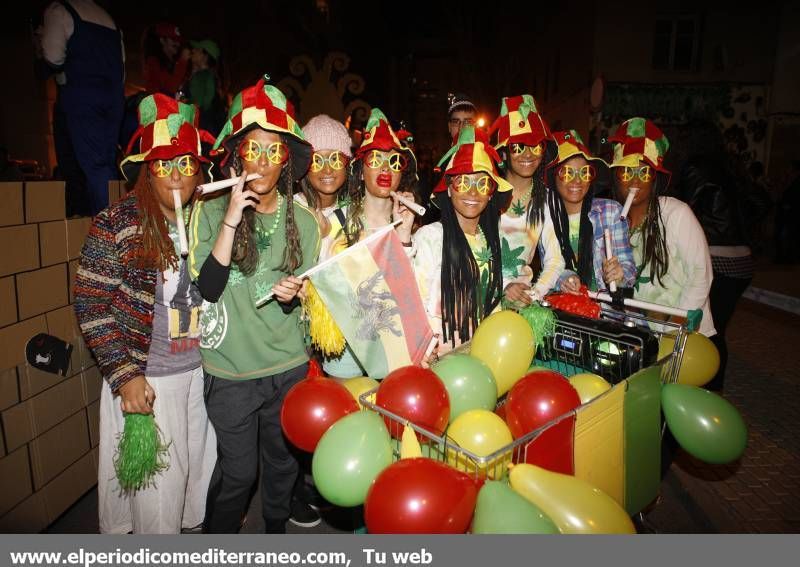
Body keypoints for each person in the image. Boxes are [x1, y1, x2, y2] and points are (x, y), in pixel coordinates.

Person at [74, 94, 216, 534]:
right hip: (150, 378)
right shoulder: (116, 222)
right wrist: (125, 375)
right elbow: (90, 302)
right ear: (145, 170)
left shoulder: (205, 220)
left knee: (194, 484)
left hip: (201, 375)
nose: (175, 176)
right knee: (157, 501)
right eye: (163, 165)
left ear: (200, 171)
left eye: (185, 165)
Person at [188, 76, 321, 534]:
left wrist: (298, 294)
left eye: (273, 151)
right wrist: (229, 219)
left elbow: (310, 298)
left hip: (286, 367)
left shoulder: (303, 221)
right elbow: (207, 288)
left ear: (286, 158)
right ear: (236, 153)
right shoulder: (206, 210)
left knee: (282, 466)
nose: (262, 162)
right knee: (239, 473)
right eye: (253, 149)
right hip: (230, 373)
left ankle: (275, 533)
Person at [317, 108, 417, 378]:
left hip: (392, 347)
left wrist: (404, 236)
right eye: (376, 159)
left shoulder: (407, 225)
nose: (386, 169)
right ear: (360, 172)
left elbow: (410, 297)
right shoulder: (334, 222)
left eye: (394, 162)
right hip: (346, 354)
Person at [609, 118, 715, 338]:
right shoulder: (613, 223)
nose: (635, 181)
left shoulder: (675, 213)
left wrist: (673, 330)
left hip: (686, 339)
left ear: (654, 178)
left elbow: (701, 274)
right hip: (644, 338)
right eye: (626, 172)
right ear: (616, 176)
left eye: (644, 173)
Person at [413, 125, 512, 355]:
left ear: (491, 194)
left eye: (482, 184)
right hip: (437, 358)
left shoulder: (490, 241)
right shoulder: (430, 238)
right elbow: (415, 302)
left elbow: (493, 303)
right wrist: (424, 350)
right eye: (463, 182)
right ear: (449, 189)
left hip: (482, 353)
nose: (473, 192)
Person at [677, 124, 763, 391]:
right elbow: (760, 201)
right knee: (718, 330)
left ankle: (705, 387)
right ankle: (713, 387)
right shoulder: (731, 167)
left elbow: (683, 211)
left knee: (704, 331)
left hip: (716, 258)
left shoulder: (696, 168)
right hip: (742, 260)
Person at [39, 0, 124, 216]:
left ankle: (108, 230)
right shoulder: (107, 16)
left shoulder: (60, 10)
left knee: (90, 167)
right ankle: (112, 221)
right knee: (106, 164)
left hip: (82, 96)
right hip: (113, 98)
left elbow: (53, 57)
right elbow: (120, 66)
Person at [491, 94, 565, 305]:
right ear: (504, 153)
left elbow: (555, 259)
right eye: (518, 147)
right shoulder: (485, 193)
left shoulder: (546, 200)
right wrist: (504, 284)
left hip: (522, 307)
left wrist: (535, 294)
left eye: (536, 146)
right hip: (484, 298)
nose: (528, 154)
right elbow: (471, 251)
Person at [546, 130, 636, 292]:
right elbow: (549, 268)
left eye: (585, 172)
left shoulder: (610, 212)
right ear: (554, 177)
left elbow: (628, 268)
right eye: (567, 173)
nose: (577, 180)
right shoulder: (545, 218)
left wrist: (619, 273)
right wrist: (563, 279)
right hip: (566, 312)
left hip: (607, 311)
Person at [296, 114, 353, 228]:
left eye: (334, 159)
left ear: (347, 163)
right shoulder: (291, 210)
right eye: (317, 161)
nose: (327, 170)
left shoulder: (354, 211)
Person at [186, 39, 226, 135]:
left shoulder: (202, 77)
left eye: (197, 49)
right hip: (210, 131)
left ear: (205, 56)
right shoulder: (213, 77)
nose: (193, 51)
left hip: (200, 130)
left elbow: (196, 104)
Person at [143, 22, 189, 98]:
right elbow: (171, 88)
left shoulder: (173, 61)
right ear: (162, 40)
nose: (177, 44)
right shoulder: (153, 62)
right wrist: (183, 61)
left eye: (178, 41)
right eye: (173, 40)